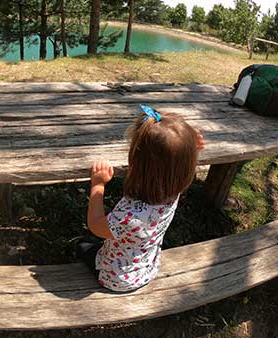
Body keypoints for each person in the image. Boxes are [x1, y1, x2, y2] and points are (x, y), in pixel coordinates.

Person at [76, 105, 205, 292]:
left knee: (83, 244)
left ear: (135, 161)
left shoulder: (128, 215)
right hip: (148, 268)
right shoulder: (172, 191)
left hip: (117, 279)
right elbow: (174, 167)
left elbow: (96, 225)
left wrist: (98, 185)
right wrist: (193, 149)